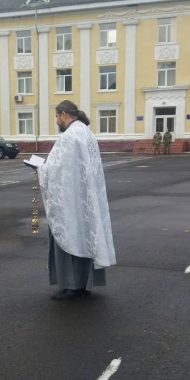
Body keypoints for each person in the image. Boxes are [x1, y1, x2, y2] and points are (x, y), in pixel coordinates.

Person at [38, 100, 116, 300]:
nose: (56, 121)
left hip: (70, 202)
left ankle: (73, 285)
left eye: (57, 116)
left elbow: (57, 169)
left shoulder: (70, 135)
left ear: (64, 114)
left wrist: (39, 168)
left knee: (71, 238)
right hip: (84, 199)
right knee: (86, 237)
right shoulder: (86, 132)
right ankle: (83, 284)